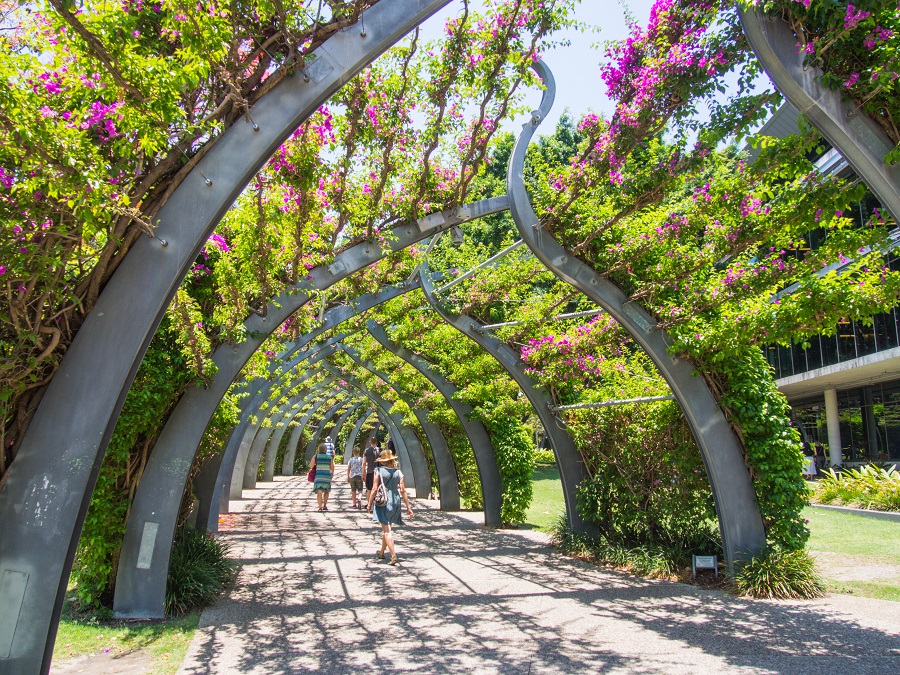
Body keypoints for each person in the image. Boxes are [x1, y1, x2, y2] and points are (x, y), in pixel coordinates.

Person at [367, 449, 413, 565]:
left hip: (383, 502)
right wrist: (408, 507)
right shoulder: (398, 473)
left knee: (387, 531)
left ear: (383, 461)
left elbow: (374, 488)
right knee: (387, 528)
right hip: (395, 501)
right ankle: (382, 552)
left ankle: (393, 555)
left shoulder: (378, 471)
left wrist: (369, 503)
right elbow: (402, 490)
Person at [311, 442, 335, 511]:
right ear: (325, 450)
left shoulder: (316, 456)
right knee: (326, 491)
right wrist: (332, 473)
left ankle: (319, 507)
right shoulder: (329, 457)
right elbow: (332, 467)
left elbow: (311, 465)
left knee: (319, 492)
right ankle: (325, 505)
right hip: (327, 476)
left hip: (319, 476)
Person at [362, 436, 381, 502]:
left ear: (370, 442)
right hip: (378, 472)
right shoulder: (380, 450)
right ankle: (376, 503)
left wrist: (363, 473)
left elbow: (364, 462)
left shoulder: (366, 451)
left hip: (370, 472)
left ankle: (369, 505)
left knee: (369, 489)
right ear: (376, 442)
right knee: (377, 488)